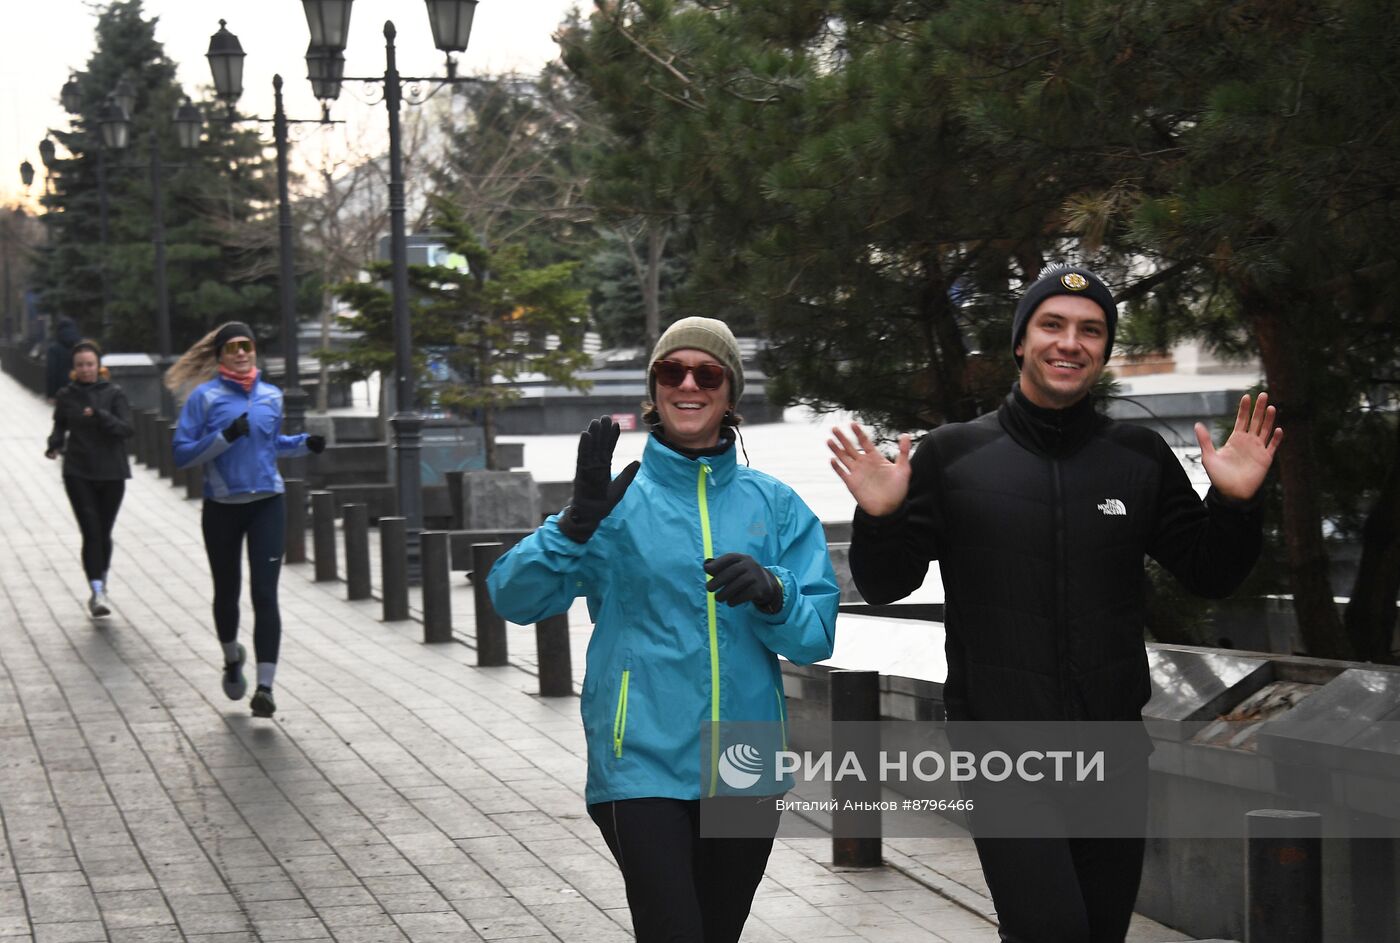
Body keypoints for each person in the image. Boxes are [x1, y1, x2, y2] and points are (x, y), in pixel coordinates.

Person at [828, 265, 1282, 943]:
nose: (1070, 342)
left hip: (1114, 754)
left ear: (1102, 349)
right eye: (1053, 324)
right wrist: (883, 518)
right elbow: (885, 582)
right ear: (1021, 341)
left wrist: (1237, 502)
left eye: (1090, 330)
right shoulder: (955, 455)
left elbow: (1210, 572)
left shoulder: (1137, 455)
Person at [488, 316, 839, 943]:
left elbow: (815, 639)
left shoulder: (776, 504)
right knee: (674, 928)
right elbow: (513, 597)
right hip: (639, 757)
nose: (688, 385)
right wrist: (573, 525)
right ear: (652, 389)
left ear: (730, 392)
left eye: (707, 373)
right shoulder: (615, 501)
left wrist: (774, 592)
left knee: (716, 932)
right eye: (670, 371)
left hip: (745, 760)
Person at [168, 322, 325, 719]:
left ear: (254, 351)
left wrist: (305, 444)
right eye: (233, 347)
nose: (241, 353)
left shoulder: (271, 396)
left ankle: (266, 687)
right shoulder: (204, 399)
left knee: (265, 594)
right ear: (220, 355)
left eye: (247, 346)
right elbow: (183, 454)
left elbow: (272, 445)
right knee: (227, 589)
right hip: (222, 506)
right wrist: (225, 436)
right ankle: (231, 656)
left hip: (267, 503)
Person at [45, 339, 133, 617]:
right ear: (74, 368)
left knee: (104, 531)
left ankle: (101, 580)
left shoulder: (114, 393)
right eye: (80, 365)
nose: (85, 370)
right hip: (78, 471)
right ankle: (96, 591)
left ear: (99, 366)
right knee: (91, 530)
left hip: (112, 472)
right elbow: (60, 425)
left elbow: (126, 429)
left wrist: (100, 415)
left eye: (90, 364)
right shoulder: (67, 395)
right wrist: (54, 444)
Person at [45, 316, 81, 402]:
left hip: (61, 390)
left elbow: (51, 373)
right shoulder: (80, 346)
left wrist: (51, 394)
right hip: (79, 388)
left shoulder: (54, 349)